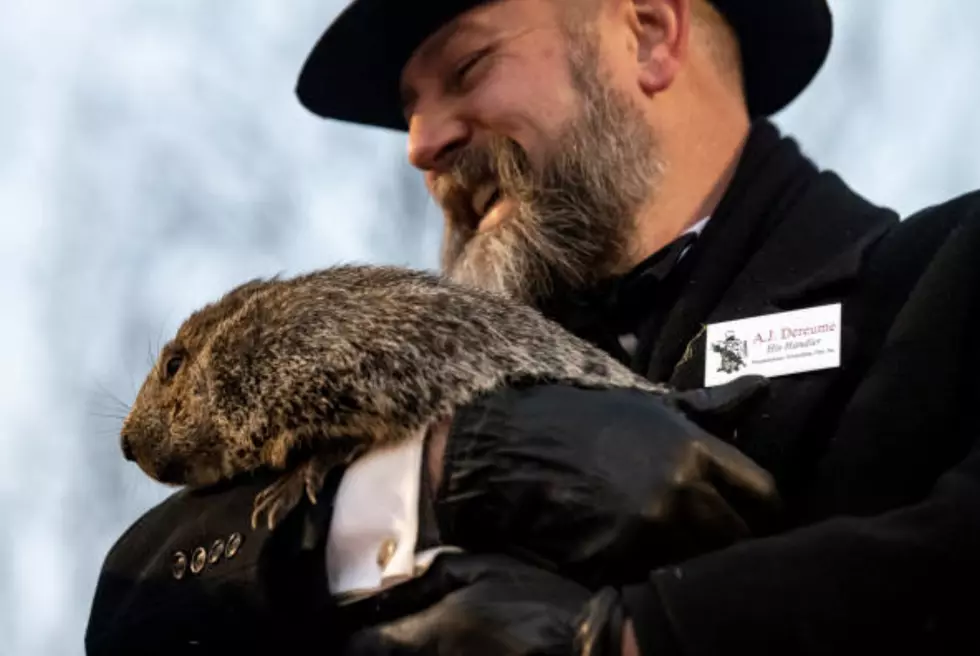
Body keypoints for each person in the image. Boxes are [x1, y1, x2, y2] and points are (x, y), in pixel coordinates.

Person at [85, 0, 980, 654]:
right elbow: (139, 606)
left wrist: (628, 639)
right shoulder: (405, 378)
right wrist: (430, 480)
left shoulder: (939, 281)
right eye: (409, 108)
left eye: (468, 68)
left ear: (650, 33)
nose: (420, 143)